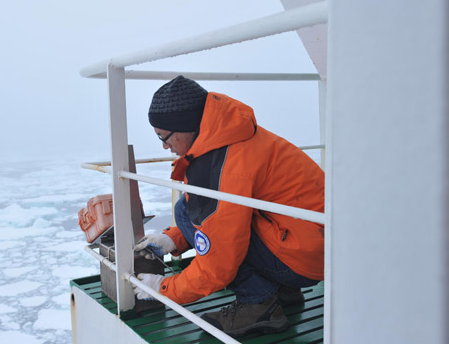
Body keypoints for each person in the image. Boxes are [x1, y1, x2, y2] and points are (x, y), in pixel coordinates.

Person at [133, 76, 324, 337]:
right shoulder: (235, 134)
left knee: (186, 210)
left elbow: (219, 263)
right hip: (315, 246)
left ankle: (259, 305)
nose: (165, 146)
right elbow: (227, 217)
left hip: (302, 259)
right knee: (188, 208)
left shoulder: (221, 165)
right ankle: (283, 291)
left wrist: (164, 288)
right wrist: (173, 238)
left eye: (163, 137)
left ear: (185, 127)